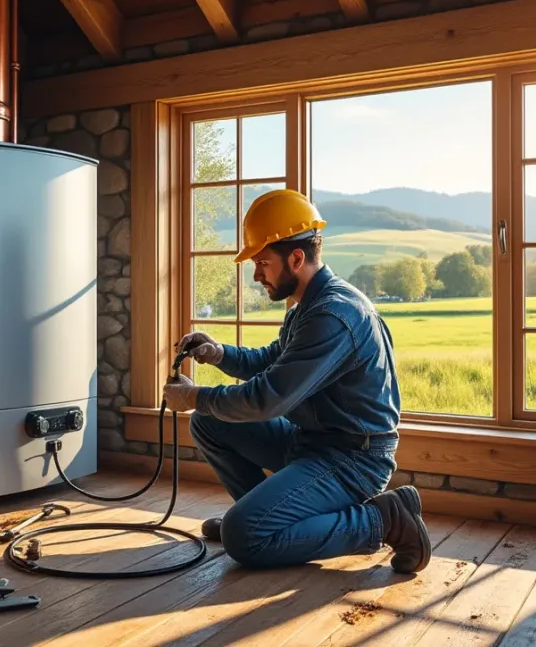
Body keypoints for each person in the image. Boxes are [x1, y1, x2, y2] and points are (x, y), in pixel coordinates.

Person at [162, 188, 430, 574]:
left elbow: (268, 398)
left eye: (262, 263)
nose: (256, 275)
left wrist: (194, 396)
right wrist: (219, 353)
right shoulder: (309, 306)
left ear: (296, 258)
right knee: (209, 421)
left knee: (243, 537)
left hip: (352, 460)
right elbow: (272, 362)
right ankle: (265, 518)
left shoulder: (333, 316)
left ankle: (384, 519)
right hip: (311, 443)